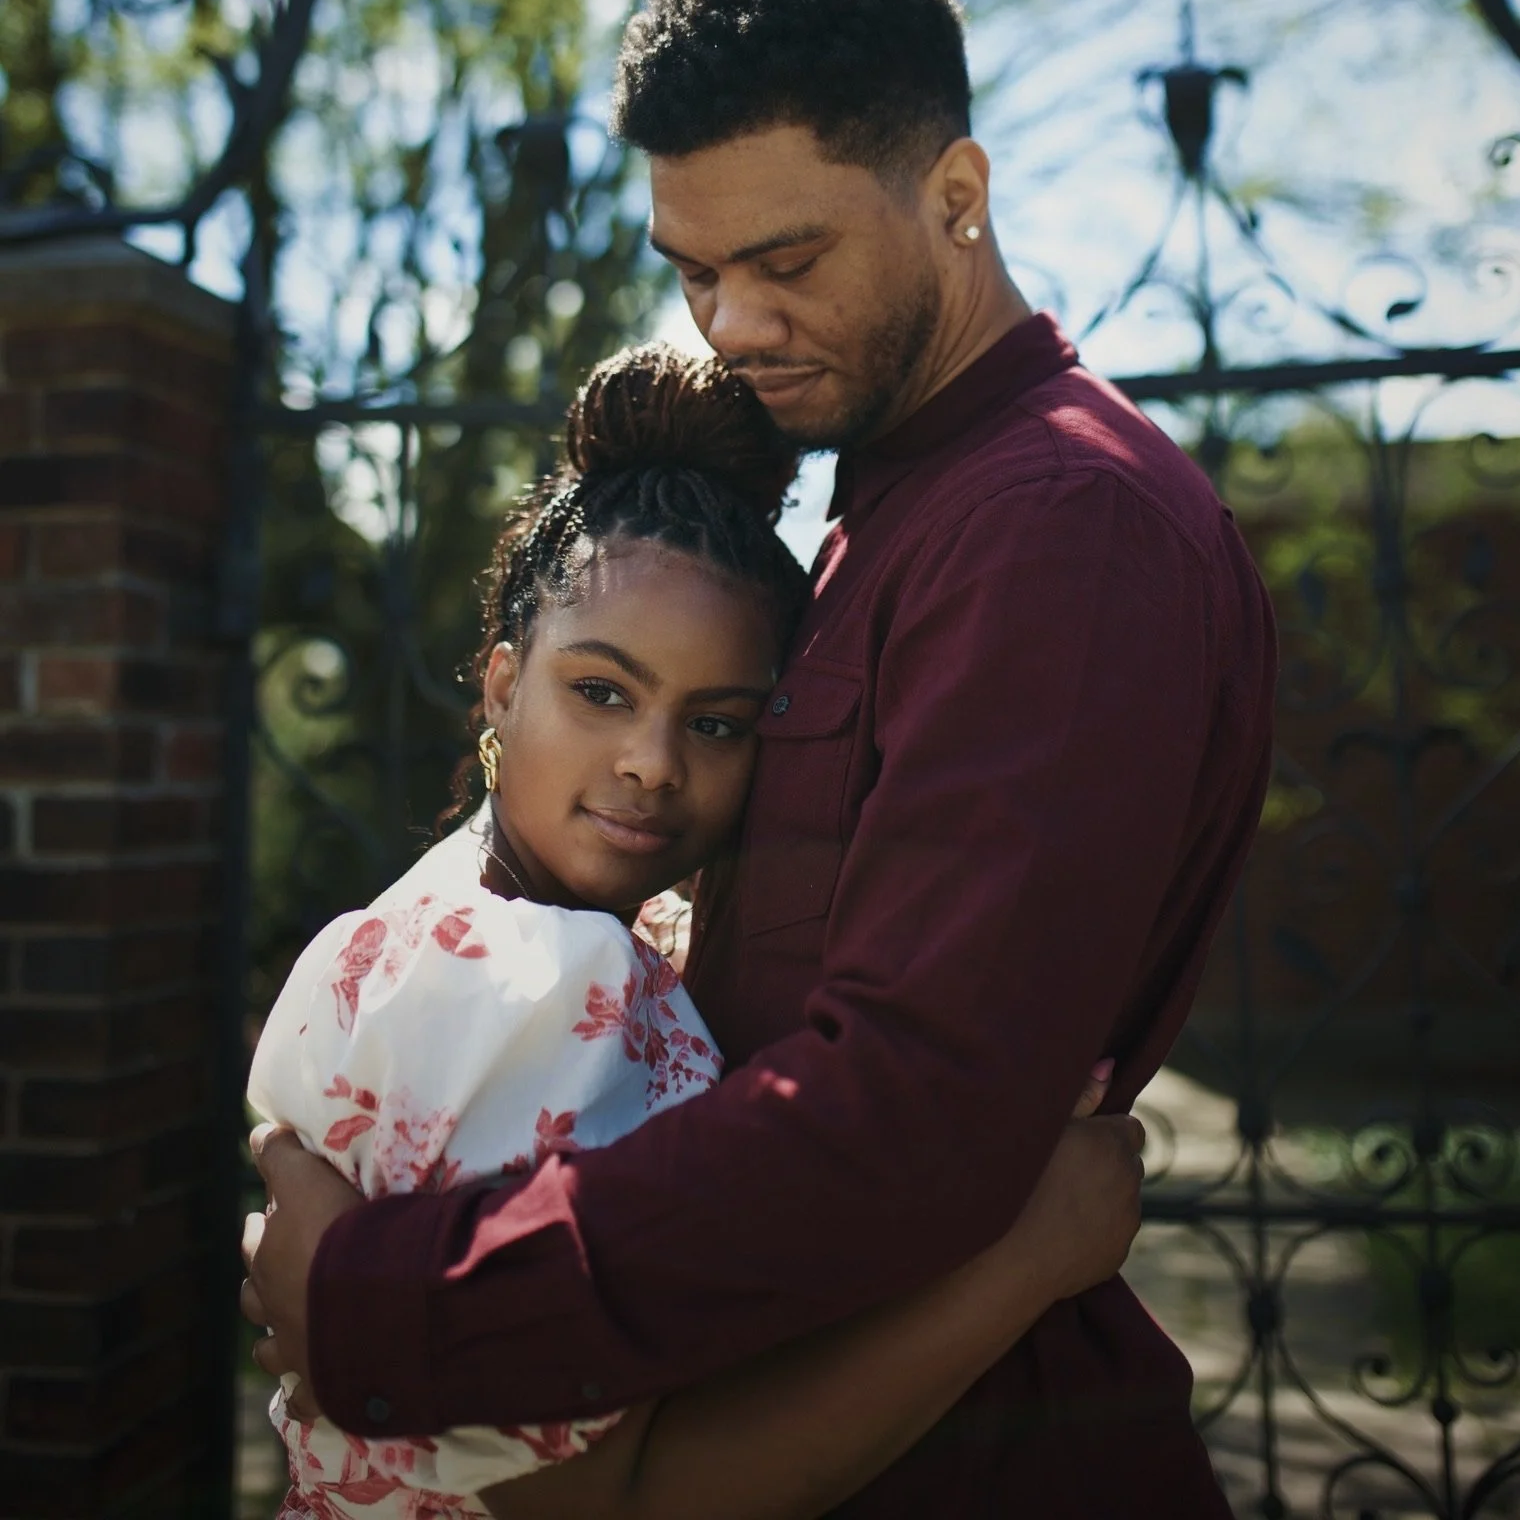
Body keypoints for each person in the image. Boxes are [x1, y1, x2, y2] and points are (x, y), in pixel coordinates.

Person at [244, 0, 1277, 1518]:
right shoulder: (892, 498)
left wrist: (396, 1301)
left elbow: (907, 1116)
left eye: (783, 261)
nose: (727, 322)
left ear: (956, 193)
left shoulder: (1055, 521)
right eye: (696, 268)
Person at [246, 341, 1144, 1520]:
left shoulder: (463, 921)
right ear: (501, 683)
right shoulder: (527, 983)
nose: (651, 765)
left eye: (717, 725)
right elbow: (621, 1506)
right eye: (602, 693)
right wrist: (1028, 1260)